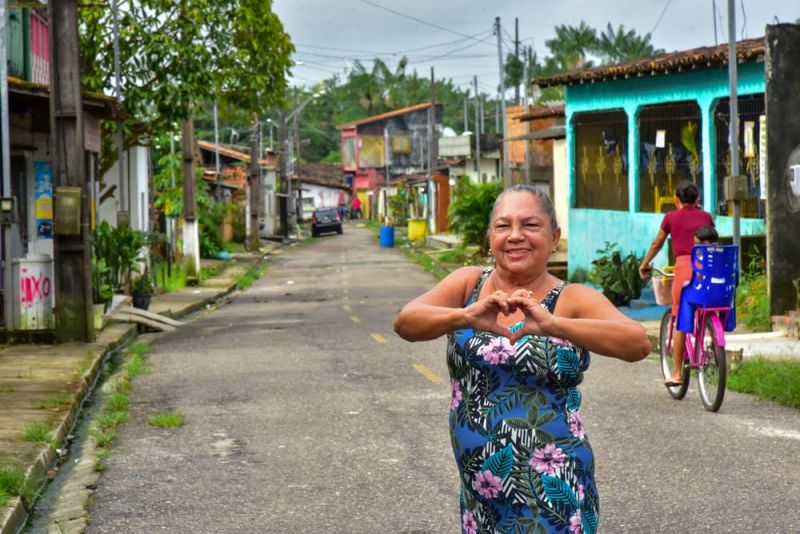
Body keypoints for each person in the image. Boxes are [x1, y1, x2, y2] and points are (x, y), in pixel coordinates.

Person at [394, 184, 651, 533]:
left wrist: (553, 324)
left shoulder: (571, 298)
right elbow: (406, 323)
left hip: (553, 490)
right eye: (503, 226)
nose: (516, 236)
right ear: (490, 238)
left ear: (554, 236)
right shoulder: (468, 284)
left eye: (530, 225)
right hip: (480, 491)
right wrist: (465, 317)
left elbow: (637, 344)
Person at [638, 181, 714, 387]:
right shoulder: (706, 217)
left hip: (684, 269)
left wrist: (645, 264)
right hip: (707, 269)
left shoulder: (671, 217)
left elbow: (657, 243)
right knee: (704, 308)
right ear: (697, 199)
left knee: (681, 317)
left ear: (676, 200)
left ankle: (677, 372)